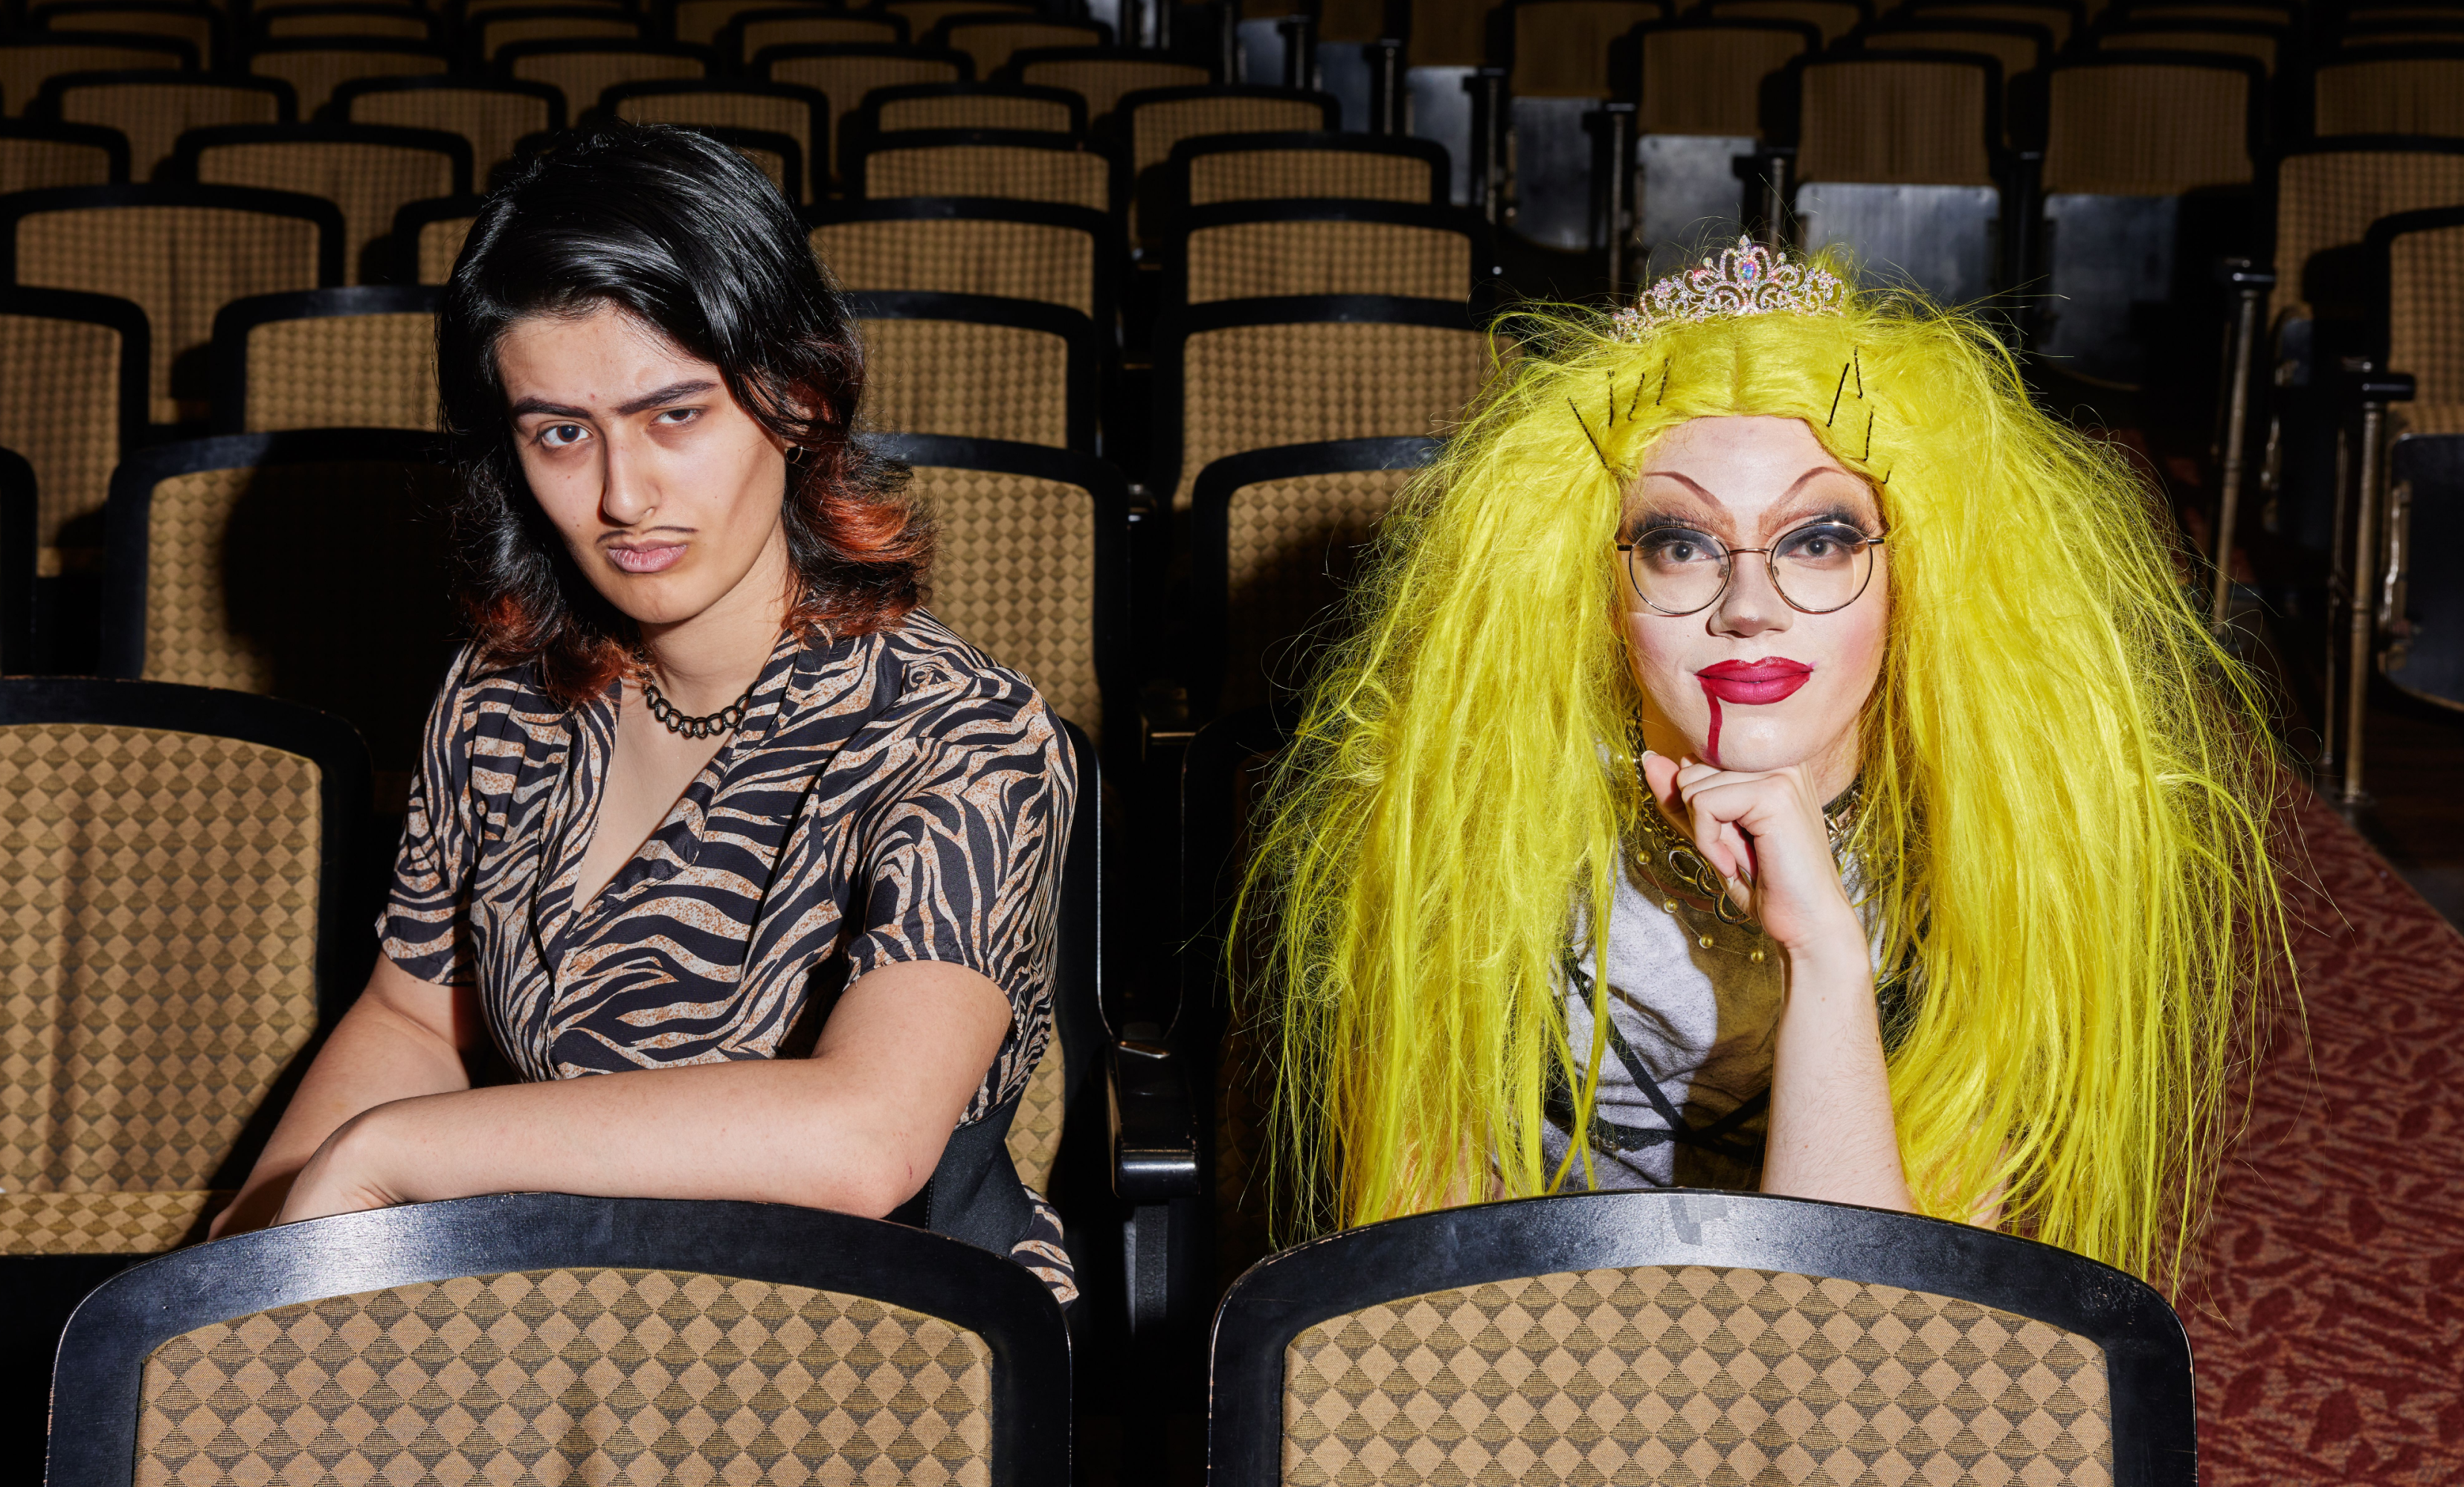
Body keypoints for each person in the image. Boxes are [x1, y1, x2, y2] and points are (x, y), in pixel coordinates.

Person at [1245, 240, 2288, 1286]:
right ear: (1597, 591)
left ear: (1914, 577)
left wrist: (1826, 960)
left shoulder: (2001, 845)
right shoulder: (1468, 822)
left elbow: (1877, 1340)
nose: (1749, 607)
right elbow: (1422, 1288)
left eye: (1820, 539)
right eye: (1681, 543)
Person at [213, 126, 1077, 1297]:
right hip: (546, 1297)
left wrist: (397, 1157)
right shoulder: (498, 695)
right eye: (561, 433)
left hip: (881, 1348)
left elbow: (863, 1139)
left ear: (799, 398)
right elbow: (415, 1021)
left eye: (677, 415)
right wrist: (252, 1254)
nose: (623, 496)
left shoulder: (964, 736)